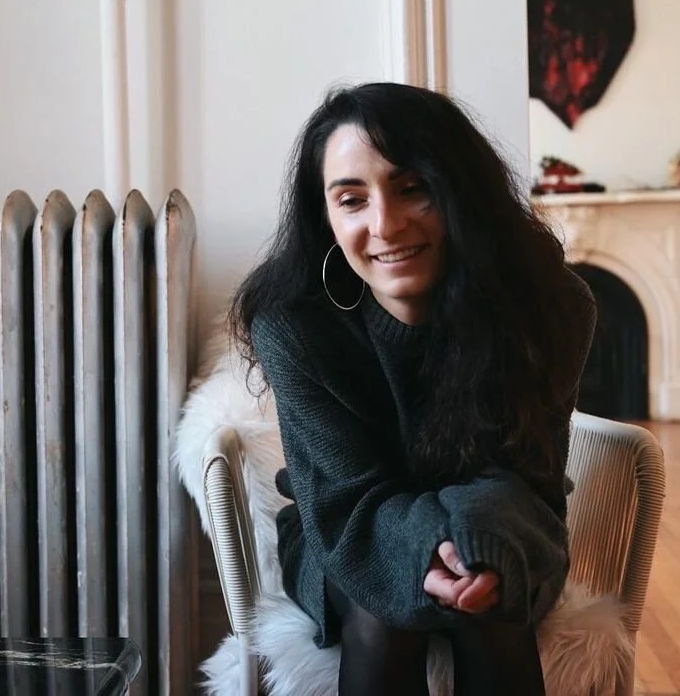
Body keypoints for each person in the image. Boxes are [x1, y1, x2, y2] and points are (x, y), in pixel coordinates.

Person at [228, 82, 597, 695]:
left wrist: (471, 550)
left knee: (492, 606)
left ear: (461, 191)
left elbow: (523, 476)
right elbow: (347, 498)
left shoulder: (549, 305)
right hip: (346, 528)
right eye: (352, 200)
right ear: (326, 218)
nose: (385, 225)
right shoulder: (297, 326)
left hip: (506, 516)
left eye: (413, 188)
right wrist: (424, 550)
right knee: (382, 616)